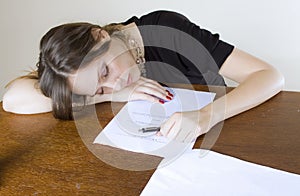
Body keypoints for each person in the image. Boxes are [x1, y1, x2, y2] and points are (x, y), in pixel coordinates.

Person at [3, 10, 284, 142]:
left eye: (105, 71)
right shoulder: (92, 80)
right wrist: (115, 94)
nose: (114, 83)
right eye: (99, 89)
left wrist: (205, 116)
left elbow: (269, 76)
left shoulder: (167, 31)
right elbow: (13, 99)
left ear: (100, 36)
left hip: (220, 126)